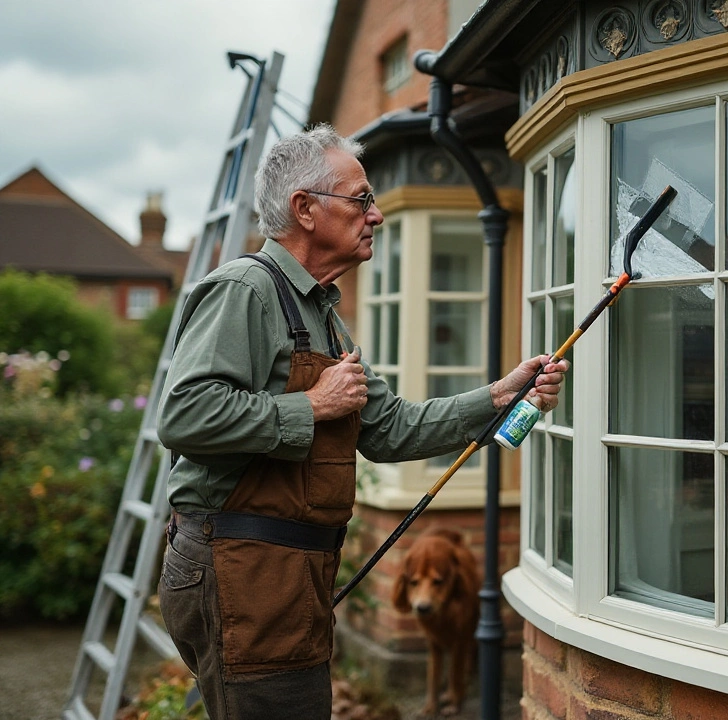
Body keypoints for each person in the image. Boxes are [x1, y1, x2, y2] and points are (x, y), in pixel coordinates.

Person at [156, 124, 567, 720]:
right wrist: (311, 406)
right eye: (362, 199)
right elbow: (184, 413)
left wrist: (500, 397)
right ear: (305, 209)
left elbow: (392, 428)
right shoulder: (246, 290)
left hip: (289, 573)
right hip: (240, 567)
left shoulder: (321, 313)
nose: (375, 215)